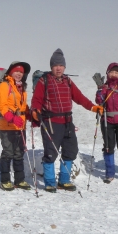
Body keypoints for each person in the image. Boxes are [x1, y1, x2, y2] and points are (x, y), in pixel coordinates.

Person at [31, 48, 103, 193]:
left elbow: (79, 97)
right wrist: (35, 111)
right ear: (51, 67)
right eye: (55, 66)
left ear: (64, 67)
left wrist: (93, 108)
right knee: (51, 152)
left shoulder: (68, 81)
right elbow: (37, 100)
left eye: (61, 65)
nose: (58, 68)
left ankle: (64, 180)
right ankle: (50, 182)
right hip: (51, 122)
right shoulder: (44, 81)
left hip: (67, 122)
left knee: (71, 150)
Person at [0, 61, 31, 191]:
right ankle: (5, 180)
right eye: (17, 71)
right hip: (6, 126)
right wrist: (12, 118)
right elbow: (2, 106)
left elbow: (22, 106)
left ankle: (19, 180)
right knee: (8, 153)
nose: (19, 74)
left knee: (19, 153)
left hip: (20, 126)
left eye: (21, 72)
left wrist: (29, 115)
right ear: (11, 72)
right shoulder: (4, 86)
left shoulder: (21, 87)